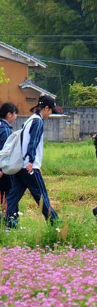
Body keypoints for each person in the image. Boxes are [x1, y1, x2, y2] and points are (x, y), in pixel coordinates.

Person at [4, 95, 61, 227]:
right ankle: (56, 225)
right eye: (51, 110)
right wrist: (31, 161)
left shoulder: (29, 120)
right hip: (29, 167)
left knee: (13, 196)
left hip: (20, 166)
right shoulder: (38, 122)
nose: (51, 113)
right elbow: (33, 142)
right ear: (46, 108)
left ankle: (9, 224)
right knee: (41, 196)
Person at [0, 102, 18, 205]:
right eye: (15, 113)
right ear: (9, 114)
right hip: (4, 169)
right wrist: (1, 169)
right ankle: (7, 219)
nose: (16, 117)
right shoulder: (5, 130)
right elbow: (5, 152)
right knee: (6, 195)